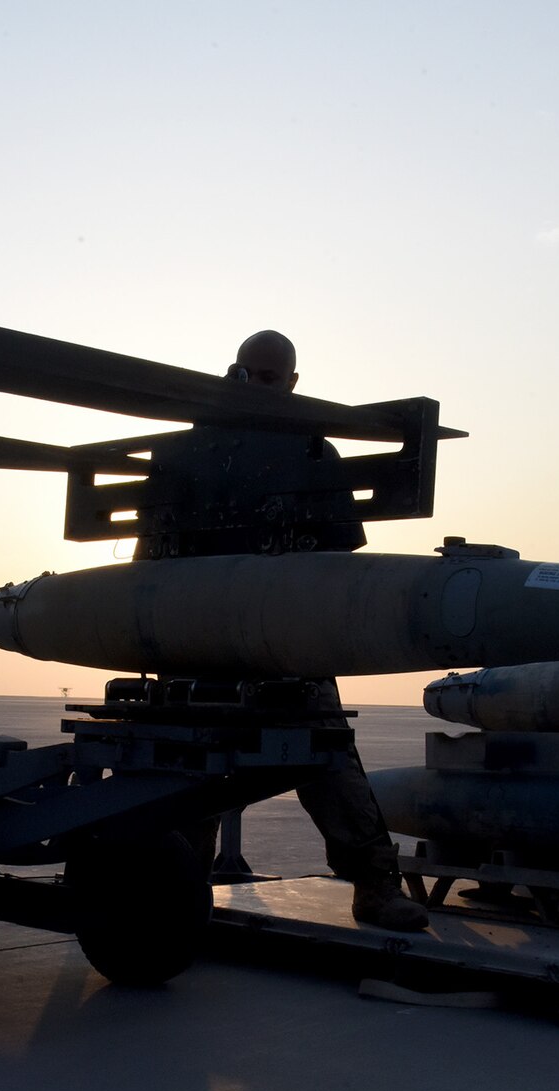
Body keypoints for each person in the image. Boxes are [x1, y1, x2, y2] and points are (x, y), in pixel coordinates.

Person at [187, 331, 428, 932]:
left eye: (272, 378)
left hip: (286, 644)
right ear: (231, 373)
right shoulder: (195, 453)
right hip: (202, 642)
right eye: (251, 374)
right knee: (188, 768)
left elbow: (336, 567)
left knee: (328, 758)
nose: (261, 387)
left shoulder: (315, 456)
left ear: (293, 384)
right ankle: (179, 884)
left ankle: (374, 885)